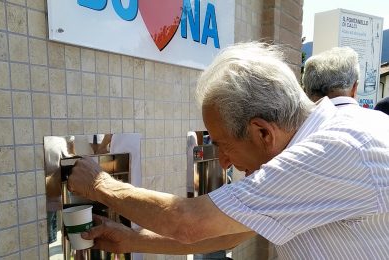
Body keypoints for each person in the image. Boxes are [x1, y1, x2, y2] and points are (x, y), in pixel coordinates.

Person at [68, 42, 389, 259]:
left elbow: (187, 221)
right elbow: (232, 232)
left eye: (223, 145)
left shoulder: (330, 152)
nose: (222, 161)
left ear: (262, 132)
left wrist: (100, 184)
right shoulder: (339, 130)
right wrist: (133, 239)